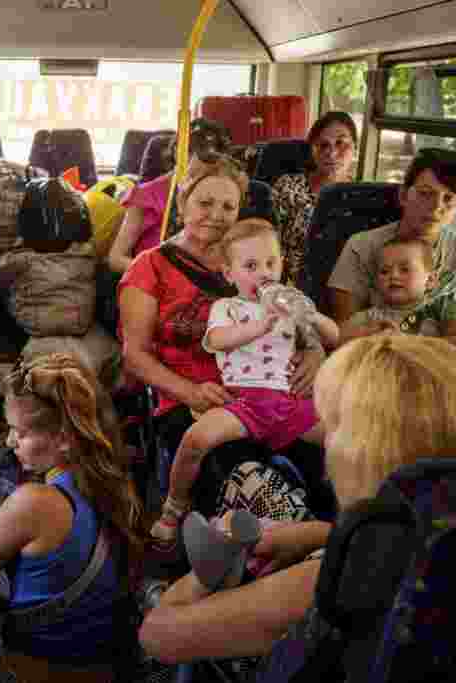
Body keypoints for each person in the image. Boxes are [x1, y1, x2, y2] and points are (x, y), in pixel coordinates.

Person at [139, 335, 456, 664]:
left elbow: (158, 635)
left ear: (363, 452)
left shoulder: (347, 579)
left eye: (333, 424)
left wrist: (213, 560)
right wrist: (320, 534)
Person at [119, 158, 327, 508]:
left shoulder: (256, 260)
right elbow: (135, 356)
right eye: (205, 203)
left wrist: (314, 353)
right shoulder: (149, 266)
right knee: (251, 485)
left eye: (228, 206)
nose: (216, 214)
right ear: (183, 202)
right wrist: (190, 392)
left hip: (275, 390)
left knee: (328, 474)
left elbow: (295, 316)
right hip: (197, 399)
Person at [0, 352, 146, 682]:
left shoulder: (34, 502)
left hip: (31, 667)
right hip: (96, 665)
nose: (11, 442)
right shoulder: (116, 485)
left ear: (65, 439)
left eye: (20, 432)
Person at [151, 219, 338, 544]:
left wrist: (309, 315)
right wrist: (259, 326)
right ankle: (173, 507)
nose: (263, 273)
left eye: (270, 263)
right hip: (245, 403)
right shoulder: (228, 308)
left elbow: (333, 336)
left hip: (289, 401)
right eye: (250, 266)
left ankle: (341, 508)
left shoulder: (291, 308)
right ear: (229, 273)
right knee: (195, 440)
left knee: (342, 440)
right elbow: (218, 340)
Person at [328, 147, 456, 381]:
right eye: (425, 193)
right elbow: (344, 332)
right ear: (403, 195)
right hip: (378, 369)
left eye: (449, 198)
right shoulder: (362, 247)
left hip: (446, 373)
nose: (436, 208)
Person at [107, 118, 233, 275]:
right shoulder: (146, 195)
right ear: (176, 152)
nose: (196, 160)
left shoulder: (229, 196)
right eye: (190, 152)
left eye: (207, 155)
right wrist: (156, 274)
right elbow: (116, 258)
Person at [339, 237, 456, 353]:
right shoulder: (373, 317)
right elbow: (337, 337)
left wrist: (408, 343)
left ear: (430, 280)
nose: (393, 276)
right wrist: (369, 333)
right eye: (384, 271)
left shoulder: (443, 306)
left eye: (404, 270)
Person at [271, 111, 358, 287]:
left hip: (344, 288)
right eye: (323, 145)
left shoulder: (362, 197)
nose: (332, 153)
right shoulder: (289, 187)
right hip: (291, 285)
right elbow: (268, 241)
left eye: (341, 143)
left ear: (355, 147)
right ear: (312, 150)